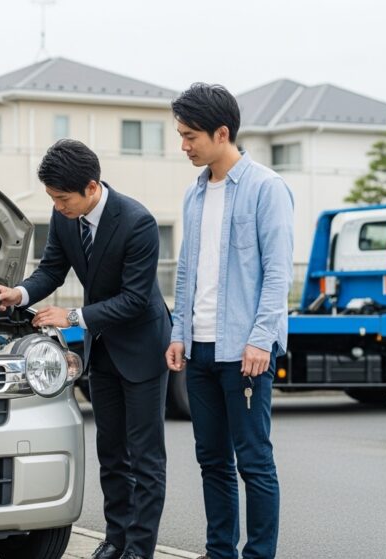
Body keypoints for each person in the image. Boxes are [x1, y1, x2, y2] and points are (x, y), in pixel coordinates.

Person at [0, 139, 171, 559]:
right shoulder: (65, 216)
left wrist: (72, 318)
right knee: (111, 453)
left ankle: (140, 549)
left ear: (91, 187)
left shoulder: (137, 222)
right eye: (52, 198)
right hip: (102, 349)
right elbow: (53, 268)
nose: (57, 205)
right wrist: (19, 292)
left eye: (62, 197)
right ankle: (117, 539)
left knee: (144, 457)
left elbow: (136, 299)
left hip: (142, 348)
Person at [164, 83, 294, 559]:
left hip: (245, 351)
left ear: (222, 133)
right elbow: (186, 270)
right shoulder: (194, 195)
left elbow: (278, 272)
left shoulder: (267, 188)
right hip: (199, 349)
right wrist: (179, 332)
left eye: (190, 135)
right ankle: (220, 552)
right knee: (211, 461)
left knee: (254, 462)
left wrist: (261, 340)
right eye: (180, 134)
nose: (184, 145)